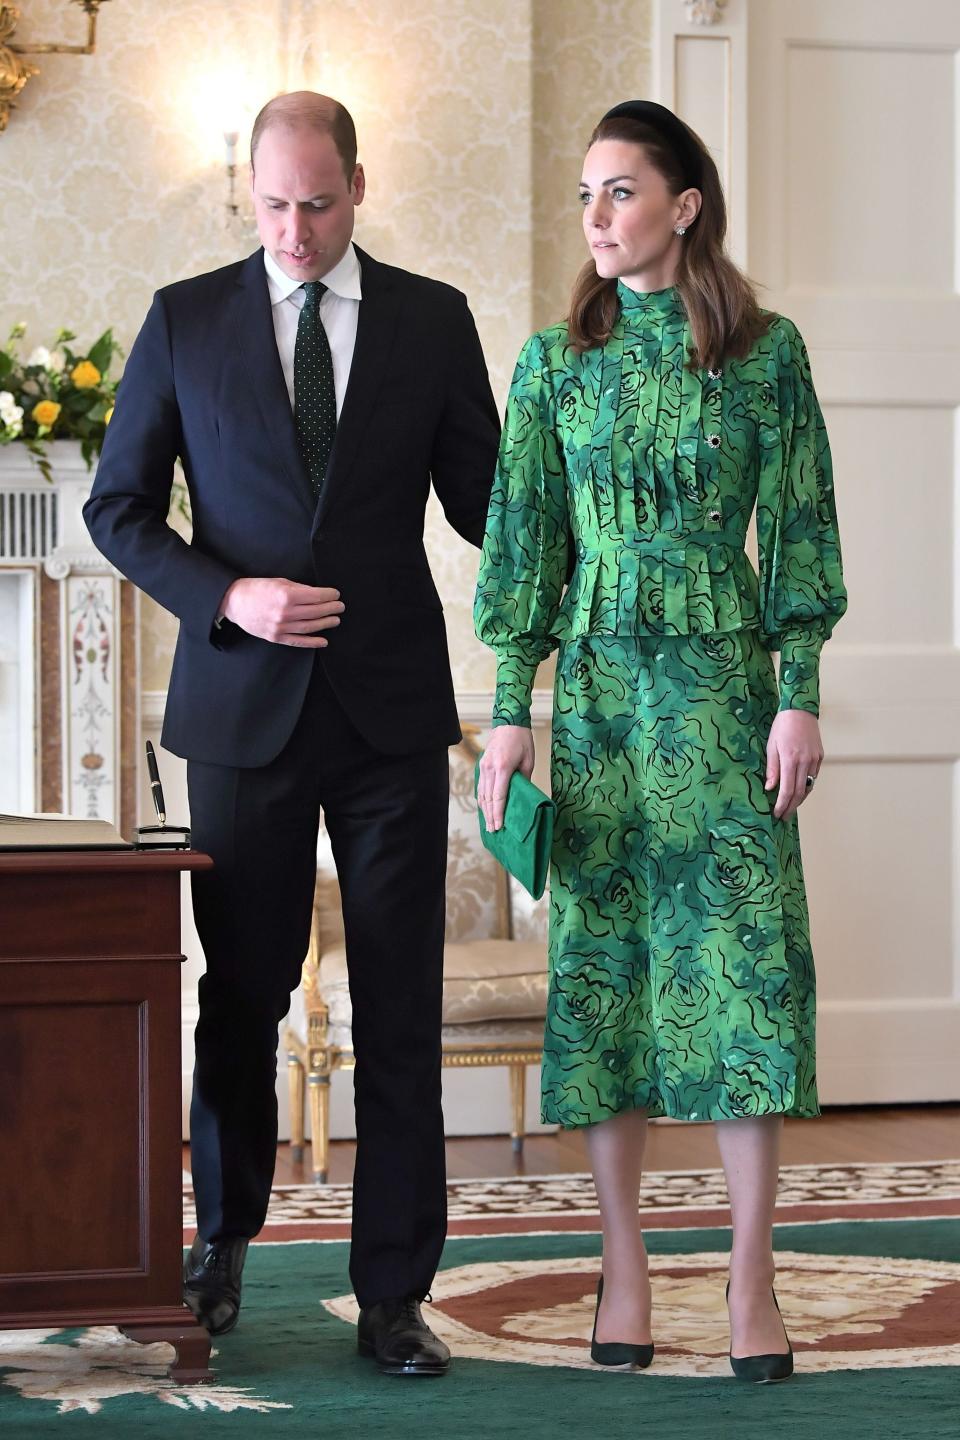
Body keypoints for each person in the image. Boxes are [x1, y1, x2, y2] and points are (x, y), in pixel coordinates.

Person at [85, 90, 499, 1378]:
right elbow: (117, 510)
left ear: (358, 187)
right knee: (243, 1002)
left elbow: (493, 506)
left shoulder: (434, 321)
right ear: (246, 195)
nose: (297, 230)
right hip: (240, 717)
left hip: (386, 717)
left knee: (399, 1008)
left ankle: (393, 1299)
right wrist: (228, 593)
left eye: (319, 203)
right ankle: (220, 1257)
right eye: (273, 205)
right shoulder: (185, 319)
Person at [474, 100, 847, 1381]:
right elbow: (525, 555)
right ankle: (621, 1264)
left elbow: (800, 533)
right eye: (587, 194)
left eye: (621, 192)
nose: (596, 218)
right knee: (609, 980)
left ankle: (754, 1277)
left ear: (684, 205)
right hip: (602, 719)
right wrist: (508, 716)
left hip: (729, 699)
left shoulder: (767, 354)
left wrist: (799, 691)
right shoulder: (550, 364)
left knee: (742, 975)